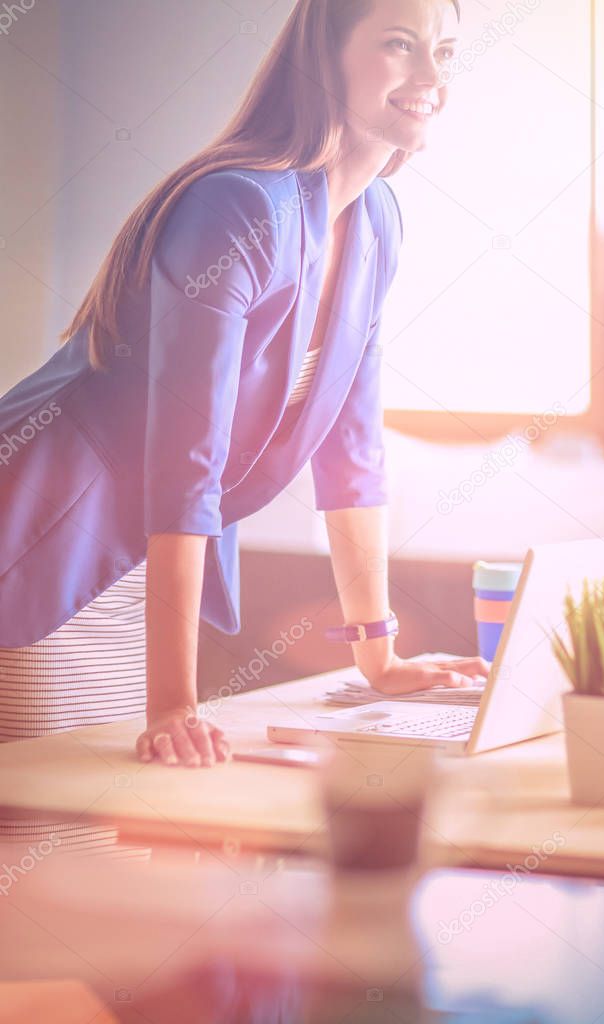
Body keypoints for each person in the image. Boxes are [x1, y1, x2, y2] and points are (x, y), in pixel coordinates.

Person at [0, 0, 488, 774]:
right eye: (401, 46)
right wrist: (171, 704)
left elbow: (352, 453)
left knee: (121, 826)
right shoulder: (238, 207)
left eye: (447, 52)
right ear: (325, 58)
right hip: (47, 535)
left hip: (152, 559)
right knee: (47, 834)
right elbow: (186, 460)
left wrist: (380, 658)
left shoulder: (375, 220)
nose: (432, 76)